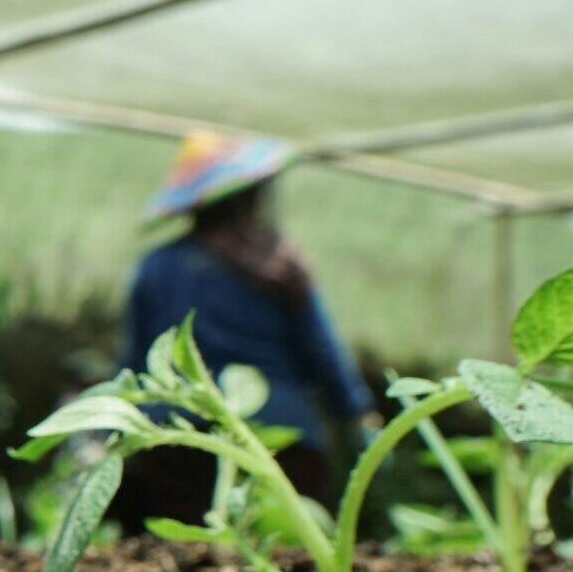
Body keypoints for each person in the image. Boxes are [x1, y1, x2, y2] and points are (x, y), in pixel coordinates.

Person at [111, 132, 376, 532]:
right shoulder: (280, 264)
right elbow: (321, 348)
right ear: (252, 196)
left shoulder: (158, 267)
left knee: (183, 562)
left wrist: (109, 428)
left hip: (178, 436)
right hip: (281, 436)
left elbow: (135, 361)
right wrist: (355, 413)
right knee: (289, 558)